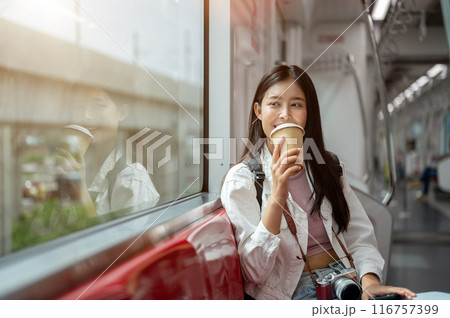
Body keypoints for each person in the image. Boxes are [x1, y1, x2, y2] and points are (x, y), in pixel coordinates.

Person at [221, 65, 416, 300]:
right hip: (293, 292)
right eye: (274, 104)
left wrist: (370, 282)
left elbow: (358, 235)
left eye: (296, 104)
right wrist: (277, 197)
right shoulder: (244, 179)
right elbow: (254, 273)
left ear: (307, 113)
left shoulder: (330, 167)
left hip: (347, 280)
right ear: (258, 110)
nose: (285, 114)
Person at [58, 84, 160, 217]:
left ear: (122, 113)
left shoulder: (132, 178)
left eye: (98, 106)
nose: (85, 116)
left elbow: (123, 237)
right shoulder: (83, 161)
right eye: (79, 106)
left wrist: (80, 188)